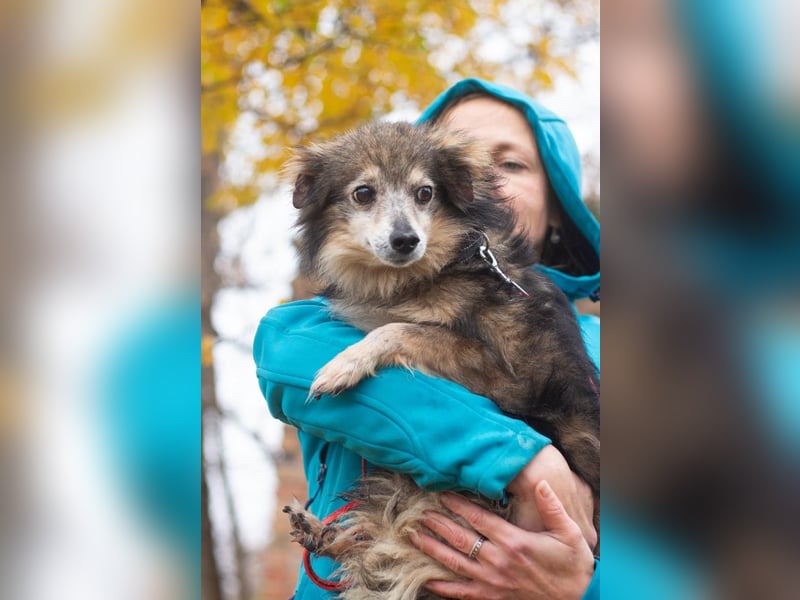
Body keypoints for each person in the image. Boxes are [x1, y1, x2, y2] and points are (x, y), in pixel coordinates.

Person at [254, 78, 600, 599]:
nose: (484, 179)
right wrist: (525, 460)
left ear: (559, 205)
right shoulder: (312, 325)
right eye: (365, 194)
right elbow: (283, 358)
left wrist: (582, 587)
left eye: (510, 164)